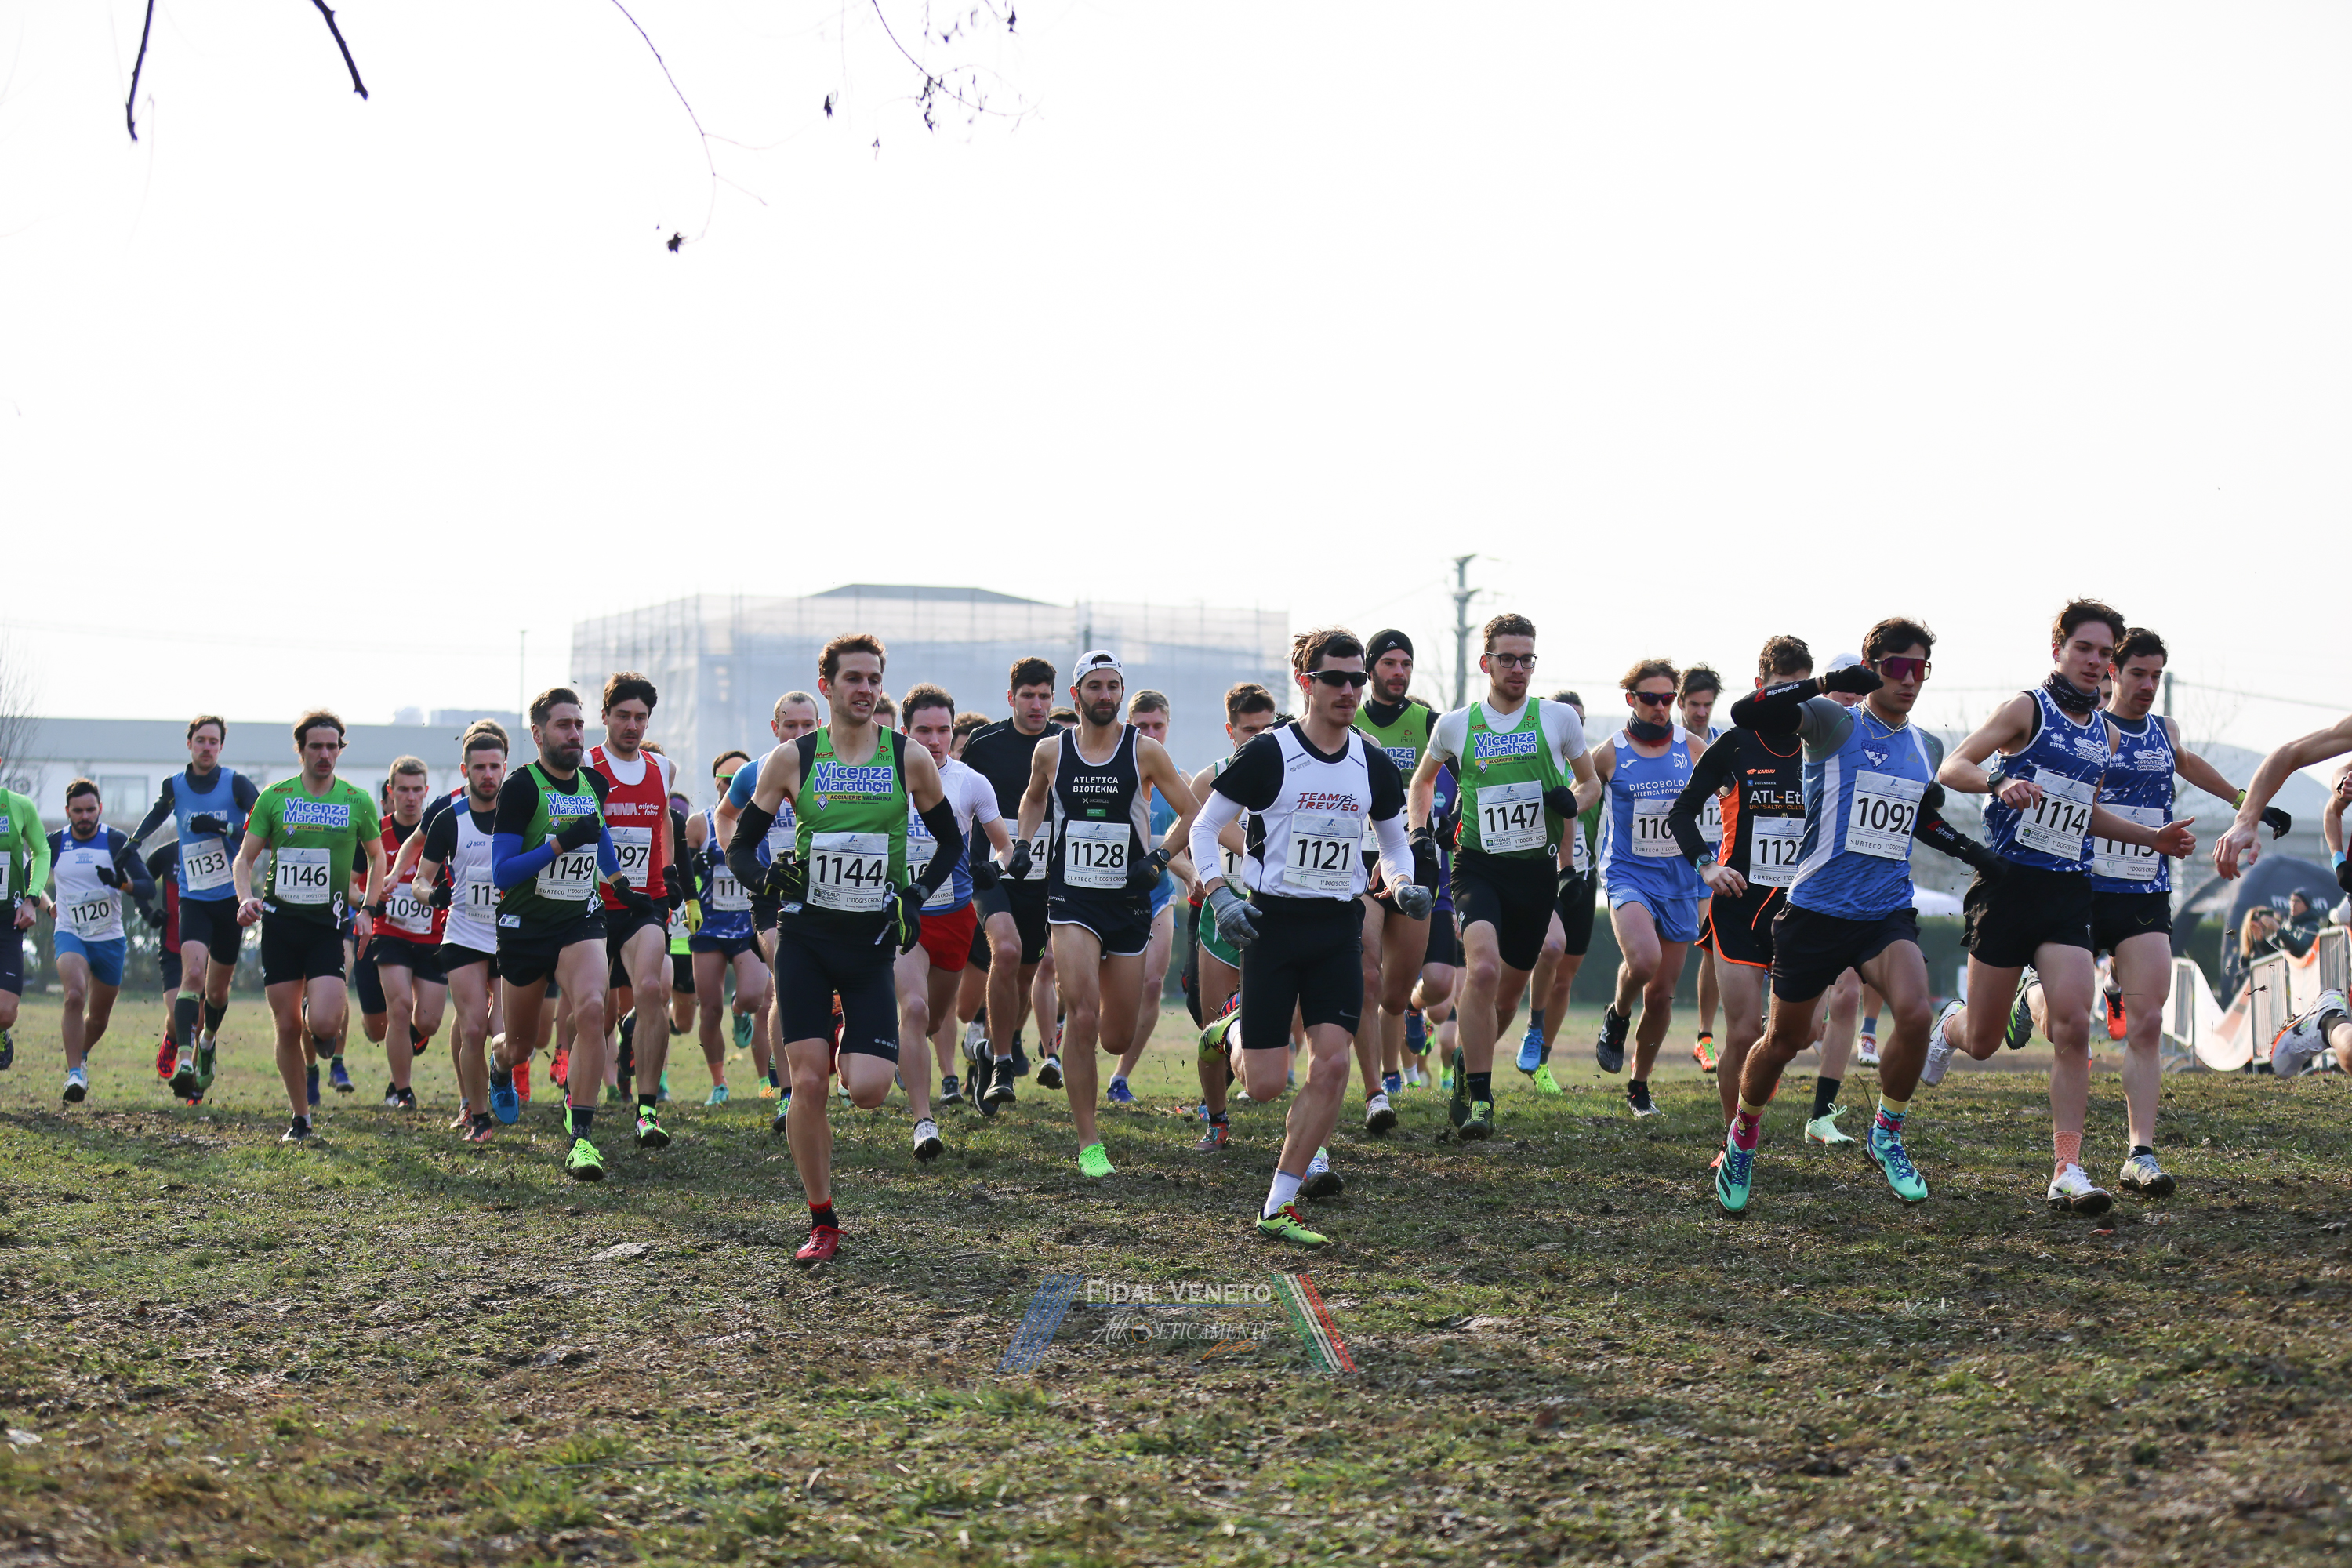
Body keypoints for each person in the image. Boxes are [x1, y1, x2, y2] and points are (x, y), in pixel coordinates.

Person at [1711, 618, 2000, 1215]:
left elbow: (1917, 817)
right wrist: (1823, 682)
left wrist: (1974, 853)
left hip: (1884, 911)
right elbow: (1746, 712)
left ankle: (1886, 1133)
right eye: (1897, 667)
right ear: (1871, 669)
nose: (1909, 680)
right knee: (1784, 1041)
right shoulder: (1833, 721)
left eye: (1920, 669)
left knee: (1915, 1014)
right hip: (1816, 909)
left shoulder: (1927, 746)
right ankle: (1743, 1133)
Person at [1922, 602, 2195, 1217]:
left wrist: (2151, 839)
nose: (2095, 662)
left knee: (2073, 1025)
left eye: (2104, 653)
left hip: (2068, 889)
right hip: (2007, 887)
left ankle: (2067, 1169)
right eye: (2084, 649)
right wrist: (1999, 783)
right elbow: (1953, 766)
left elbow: (2083, 812)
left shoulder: (2106, 732)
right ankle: (1950, 1026)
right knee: (1984, 1040)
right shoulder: (2028, 709)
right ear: (2059, 650)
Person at [2005, 628, 2279, 1196]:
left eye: (2157, 675)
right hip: (2083, 886)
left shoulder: (2163, 730)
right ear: (2113, 673)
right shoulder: (2089, 732)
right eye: (2138, 674)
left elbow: (2187, 762)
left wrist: (2245, 804)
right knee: (2064, 1025)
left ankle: (2140, 1153)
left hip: (2143, 891)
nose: (2149, 685)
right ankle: (2029, 993)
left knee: (2148, 1020)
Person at [727, 633, 967, 1261]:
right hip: (805, 938)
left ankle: (843, 1036)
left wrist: (914, 895)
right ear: (827, 685)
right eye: (853, 678)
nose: (865, 689)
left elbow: (950, 843)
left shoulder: (908, 757)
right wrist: (766, 880)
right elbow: (740, 847)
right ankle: (822, 1220)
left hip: (871, 943)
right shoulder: (792, 759)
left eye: (874, 679)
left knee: (867, 1090)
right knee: (807, 1083)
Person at [1187, 628, 1428, 1246]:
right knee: (1266, 1084)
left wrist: (1402, 884)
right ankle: (1228, 1032)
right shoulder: (1270, 753)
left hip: (1337, 927)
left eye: (1357, 680)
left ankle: (1279, 1202)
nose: (1349, 690)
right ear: (1306, 683)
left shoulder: (1371, 761)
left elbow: (1394, 842)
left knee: (1332, 1063)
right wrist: (1219, 893)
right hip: (1272, 927)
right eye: (1335, 679)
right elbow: (1204, 828)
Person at [1008, 649, 1200, 1178]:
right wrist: (1024, 843)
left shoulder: (1145, 751)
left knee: (1115, 1035)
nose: (1105, 695)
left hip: (1128, 900)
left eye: (1113, 686)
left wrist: (1159, 858)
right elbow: (1033, 799)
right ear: (1077, 695)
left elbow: (1192, 811)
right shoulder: (1052, 750)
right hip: (1072, 897)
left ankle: (1101, 1070)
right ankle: (1089, 1142)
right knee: (1083, 1016)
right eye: (1095, 686)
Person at [1406, 614, 1599, 1140]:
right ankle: (1480, 1097)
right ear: (1485, 662)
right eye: (1508, 658)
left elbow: (1590, 785)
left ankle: (1469, 1058)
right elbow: (1421, 784)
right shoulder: (1456, 725)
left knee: (1508, 999)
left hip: (1534, 874)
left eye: (1527, 659)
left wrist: (1573, 800)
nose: (1518, 668)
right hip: (1478, 867)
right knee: (1484, 969)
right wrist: (1419, 833)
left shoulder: (1558, 718)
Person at [488, 687, 639, 1179]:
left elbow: (599, 834)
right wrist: (558, 844)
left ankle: (582, 1141)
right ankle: (499, 1066)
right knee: (521, 1045)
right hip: (525, 928)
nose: (575, 734)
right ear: (538, 734)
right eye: (563, 725)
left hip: (580, 918)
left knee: (593, 1011)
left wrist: (618, 882)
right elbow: (503, 872)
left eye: (578, 724)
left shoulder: (593, 782)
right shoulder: (521, 788)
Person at [1669, 637, 1817, 1139]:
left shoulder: (1823, 744)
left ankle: (1765, 1060)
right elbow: (1681, 813)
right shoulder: (1734, 744)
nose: (1789, 701)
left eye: (1800, 691)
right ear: (1760, 687)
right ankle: (1735, 1140)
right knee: (1743, 1032)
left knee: (1804, 1032)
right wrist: (1706, 866)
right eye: (1780, 689)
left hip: (1802, 909)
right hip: (1739, 905)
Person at [230, 711, 387, 1142]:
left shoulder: (357, 800)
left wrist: (369, 909)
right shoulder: (275, 797)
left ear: (340, 750)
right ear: (300, 750)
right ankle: (301, 1118)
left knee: (325, 1025)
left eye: (332, 746)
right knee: (286, 1028)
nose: (324, 754)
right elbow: (243, 859)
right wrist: (244, 898)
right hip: (281, 925)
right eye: (315, 746)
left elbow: (378, 857)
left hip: (327, 926)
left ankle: (312, 1014)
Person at [893, 683, 1011, 1160]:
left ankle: (932, 1053)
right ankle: (924, 1122)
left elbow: (1004, 846)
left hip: (955, 916)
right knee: (914, 1009)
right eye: (924, 731)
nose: (935, 740)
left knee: (935, 1019)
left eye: (943, 730)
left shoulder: (971, 782)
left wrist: (994, 869)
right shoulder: (886, 779)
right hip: (905, 916)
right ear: (905, 732)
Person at [1590, 658, 1709, 1117]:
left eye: (1667, 699)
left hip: (1679, 880)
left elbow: (1729, 796)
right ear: (1631, 700)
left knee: (1661, 996)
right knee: (1643, 960)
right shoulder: (1610, 752)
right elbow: (1582, 793)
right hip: (1628, 875)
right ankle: (1618, 1014)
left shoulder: (1693, 748)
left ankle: (1639, 1086)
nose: (1660, 708)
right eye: (1650, 699)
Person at [129, 716, 260, 1103]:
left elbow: (265, 831)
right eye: (200, 740)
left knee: (216, 991)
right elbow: (157, 813)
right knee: (193, 975)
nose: (206, 747)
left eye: (213, 741)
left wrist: (226, 829)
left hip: (231, 899)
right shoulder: (175, 786)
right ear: (189, 743)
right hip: (195, 897)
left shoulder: (236, 784)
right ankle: (184, 1060)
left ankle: (207, 1042)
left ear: (221, 746)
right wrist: (132, 843)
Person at [958, 659, 1062, 1108]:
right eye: (1028, 696)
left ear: (1054, 699)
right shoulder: (984, 744)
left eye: (1044, 696)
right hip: (990, 873)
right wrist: (968, 860)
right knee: (1007, 950)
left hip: (1043, 879)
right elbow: (958, 797)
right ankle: (1002, 1063)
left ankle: (990, 1048)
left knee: (1025, 979)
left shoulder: (1064, 745)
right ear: (1011, 698)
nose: (1036, 704)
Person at [586, 673, 684, 1149]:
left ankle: (647, 1110)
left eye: (640, 717)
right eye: (622, 716)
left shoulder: (662, 768)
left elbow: (662, 819)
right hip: (590, 906)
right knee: (592, 1009)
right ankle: (577, 1091)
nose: (632, 725)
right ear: (605, 716)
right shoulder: (586, 765)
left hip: (644, 903)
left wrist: (668, 872)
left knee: (651, 990)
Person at [717, 689, 823, 1111]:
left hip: (827, 893)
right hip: (771, 894)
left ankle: (829, 1075)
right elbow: (725, 816)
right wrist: (743, 866)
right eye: (790, 725)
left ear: (820, 726)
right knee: (786, 977)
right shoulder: (754, 772)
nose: (798, 733)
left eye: (807, 725)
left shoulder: (838, 770)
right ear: (775, 728)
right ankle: (787, 1093)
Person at [1187, 683, 1281, 1151]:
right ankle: (1217, 1122)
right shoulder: (1210, 779)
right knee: (1216, 1030)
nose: (1260, 738)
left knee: (1281, 1022)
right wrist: (1191, 872)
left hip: (1279, 910)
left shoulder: (1291, 768)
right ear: (1230, 731)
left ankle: (1303, 1123)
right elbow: (1192, 833)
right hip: (1222, 909)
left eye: (1268, 728)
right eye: (1249, 731)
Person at [1350, 629, 1436, 1134]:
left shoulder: (1429, 723)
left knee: (1397, 992)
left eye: (1406, 664)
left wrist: (1444, 821)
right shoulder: (1348, 719)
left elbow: (1464, 780)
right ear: (1370, 670)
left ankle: (1404, 1026)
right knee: (1367, 976)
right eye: (1389, 663)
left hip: (1412, 859)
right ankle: (1377, 1088)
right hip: (1357, 862)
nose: (1399, 672)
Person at [410, 722, 509, 1142]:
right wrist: (432, 895)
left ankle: (500, 1074)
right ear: (465, 770)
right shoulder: (449, 819)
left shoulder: (520, 815)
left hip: (509, 936)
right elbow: (420, 880)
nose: (488, 775)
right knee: (472, 1028)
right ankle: (478, 1116)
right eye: (479, 767)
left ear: (505, 768)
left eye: (495, 766)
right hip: (464, 933)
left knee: (505, 1035)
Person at [45, 779, 154, 1102]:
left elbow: (148, 886)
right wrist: (45, 904)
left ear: (100, 809)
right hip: (70, 932)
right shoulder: (55, 843)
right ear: (67, 811)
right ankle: (74, 1074)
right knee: (74, 996)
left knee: (98, 1018)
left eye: (90, 810)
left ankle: (81, 1054)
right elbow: (29, 880)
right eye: (78, 811)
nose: (85, 817)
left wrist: (122, 883)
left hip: (109, 939)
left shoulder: (116, 841)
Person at [1107, 689, 1189, 1105]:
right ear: (1129, 726)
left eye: (1158, 725)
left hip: (1157, 897)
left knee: (1153, 984)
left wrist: (1190, 871)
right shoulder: (1111, 775)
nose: (1151, 733)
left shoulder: (1179, 781)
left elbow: (1188, 839)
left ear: (1168, 727)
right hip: (1105, 899)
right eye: (1142, 726)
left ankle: (1121, 1077)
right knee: (1103, 993)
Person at [357, 756, 447, 1110]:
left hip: (433, 935)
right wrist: (370, 898)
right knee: (399, 1007)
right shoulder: (375, 833)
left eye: (416, 790)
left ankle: (410, 1039)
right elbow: (351, 883)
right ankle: (402, 1090)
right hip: (390, 933)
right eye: (403, 790)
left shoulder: (441, 828)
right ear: (390, 792)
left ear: (426, 792)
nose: (410, 798)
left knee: (429, 1021)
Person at [1518, 691, 1598, 1094]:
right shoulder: (1532, 763)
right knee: (1548, 951)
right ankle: (1527, 1029)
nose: (1572, 728)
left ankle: (1542, 1061)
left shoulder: (1593, 772)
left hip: (1582, 879)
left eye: (1579, 722)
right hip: (1542, 877)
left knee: (1564, 979)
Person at [688, 750, 772, 1106]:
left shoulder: (765, 819)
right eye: (724, 779)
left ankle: (740, 1014)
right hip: (709, 928)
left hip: (747, 927)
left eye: (737, 778)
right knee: (709, 1009)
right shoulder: (701, 823)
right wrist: (696, 867)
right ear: (717, 783)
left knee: (754, 998)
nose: (730, 785)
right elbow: (684, 869)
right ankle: (719, 1083)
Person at [1676, 666, 1726, 1072]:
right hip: (1671, 860)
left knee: (1714, 943)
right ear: (1680, 702)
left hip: (1715, 861)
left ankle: (1705, 1037)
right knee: (1662, 957)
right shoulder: (1667, 747)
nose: (1701, 712)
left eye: (1708, 704)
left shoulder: (1726, 745)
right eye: (1694, 704)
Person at [0, 764, 53, 1074]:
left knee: (5, 1013)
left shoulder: (18, 805)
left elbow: (41, 850)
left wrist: (32, 900)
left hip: (8, 919)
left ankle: (1, 1031)